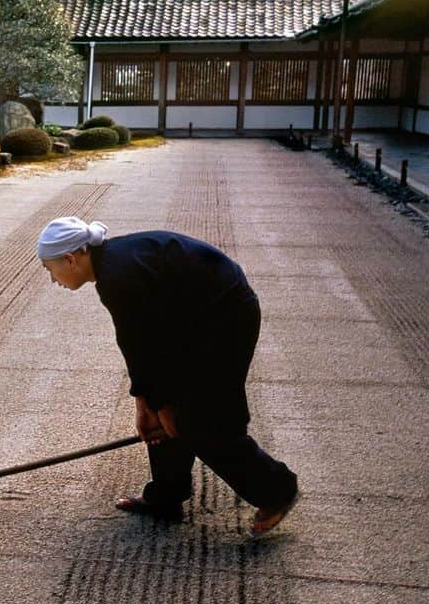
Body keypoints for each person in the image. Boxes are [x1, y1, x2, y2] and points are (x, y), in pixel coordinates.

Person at [37, 217, 298, 537]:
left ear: (70, 259)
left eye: (50, 270)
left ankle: (277, 490)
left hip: (225, 318)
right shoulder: (113, 268)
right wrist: (146, 404)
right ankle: (166, 496)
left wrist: (160, 404)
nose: (52, 279)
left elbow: (150, 350)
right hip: (195, 325)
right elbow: (139, 348)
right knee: (170, 412)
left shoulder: (118, 275)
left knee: (200, 421)